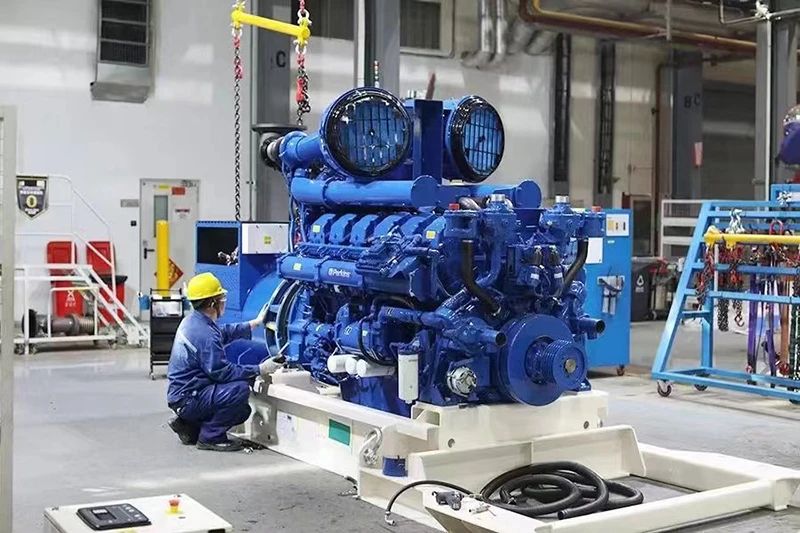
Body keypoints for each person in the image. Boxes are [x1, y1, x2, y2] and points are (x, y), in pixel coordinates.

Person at [167, 272, 283, 451]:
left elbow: (223, 333)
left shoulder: (194, 321)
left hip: (184, 394)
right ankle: (210, 438)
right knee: (239, 390)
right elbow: (223, 372)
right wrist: (260, 369)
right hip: (188, 398)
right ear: (212, 303)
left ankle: (189, 426)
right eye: (221, 298)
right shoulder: (204, 333)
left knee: (242, 410)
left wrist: (255, 323)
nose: (224, 302)